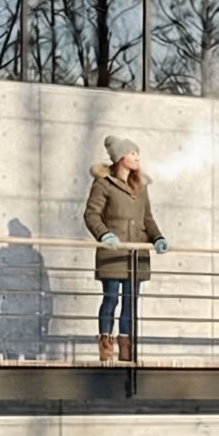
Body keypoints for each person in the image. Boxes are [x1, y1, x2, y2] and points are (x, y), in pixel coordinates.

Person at [83, 136, 166, 362]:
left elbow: (147, 218)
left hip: (136, 255)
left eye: (137, 153)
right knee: (111, 298)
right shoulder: (104, 184)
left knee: (131, 303)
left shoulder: (141, 186)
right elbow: (91, 214)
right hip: (113, 253)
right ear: (121, 158)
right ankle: (106, 344)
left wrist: (158, 237)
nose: (137, 157)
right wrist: (104, 234)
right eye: (132, 153)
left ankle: (127, 348)